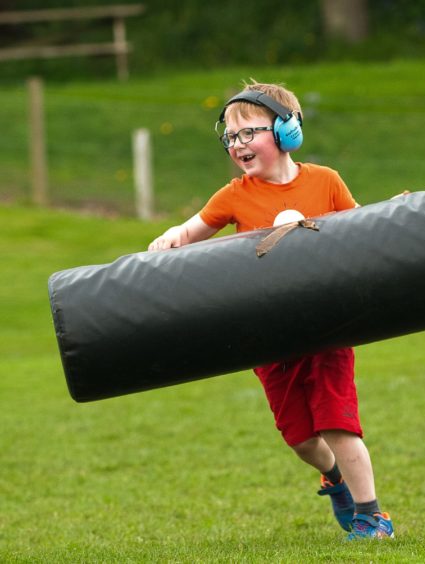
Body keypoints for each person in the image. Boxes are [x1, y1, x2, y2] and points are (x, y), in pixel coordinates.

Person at [148, 80, 394, 540]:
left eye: (248, 133)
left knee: (337, 423)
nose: (237, 144)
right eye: (230, 137)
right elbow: (191, 230)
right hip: (269, 337)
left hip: (326, 330)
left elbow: (364, 234)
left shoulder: (325, 181)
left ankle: (371, 515)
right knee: (302, 439)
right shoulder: (234, 195)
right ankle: (334, 479)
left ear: (286, 132)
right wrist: (171, 239)